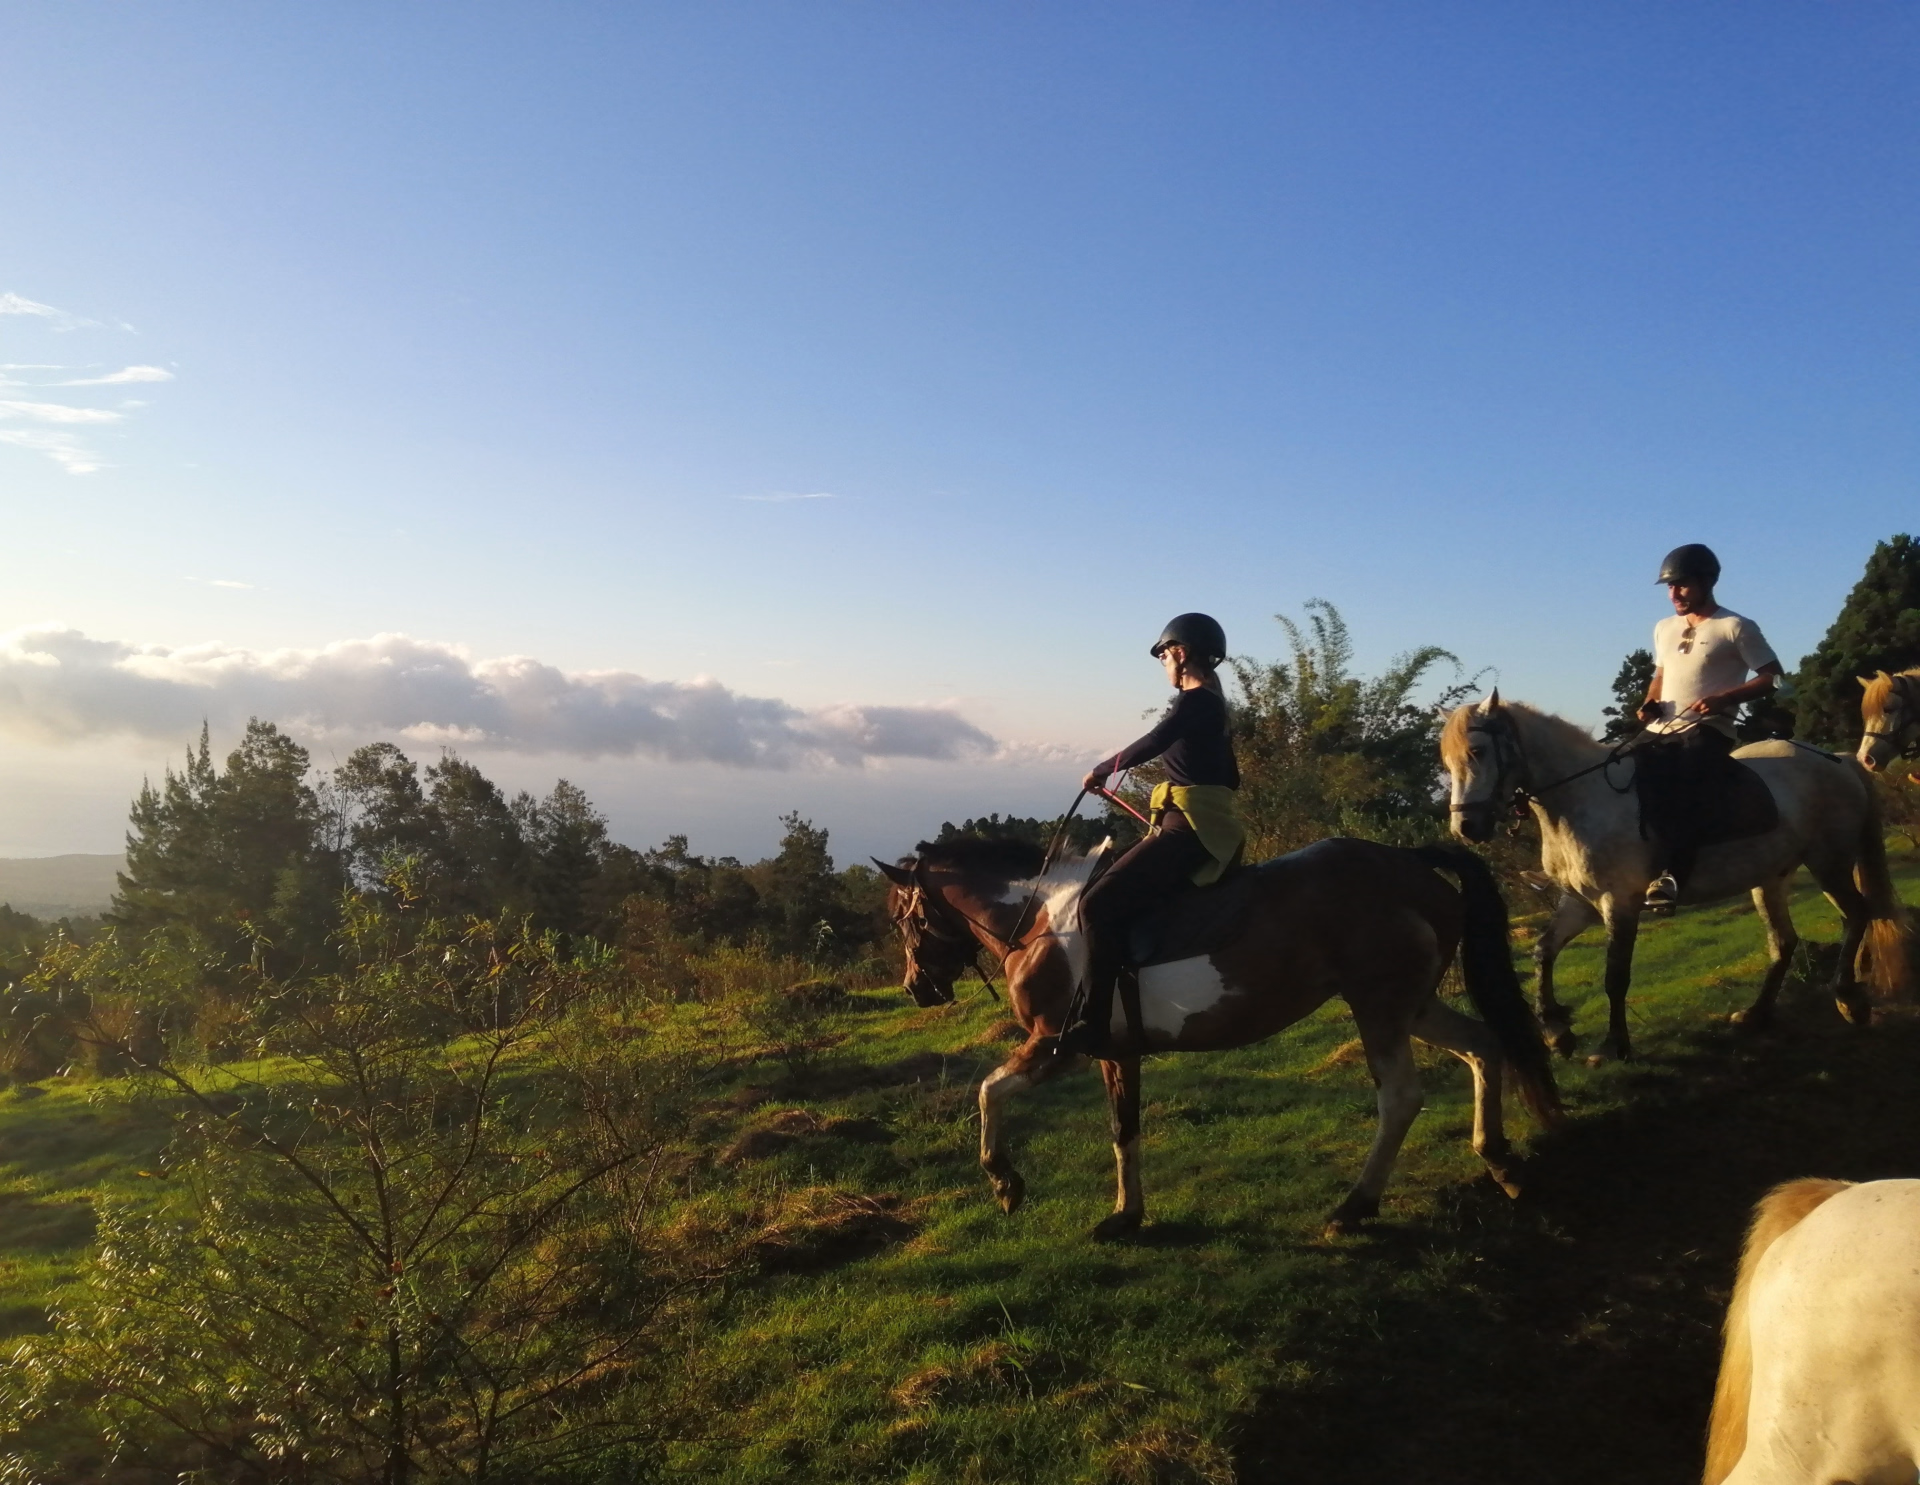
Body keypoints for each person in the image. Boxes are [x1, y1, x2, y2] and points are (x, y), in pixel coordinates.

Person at [1054, 613, 1246, 1058]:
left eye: (1163, 655)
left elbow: (1155, 740)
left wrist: (1102, 769)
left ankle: (1096, 1025)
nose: (1162, 664)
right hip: (1200, 826)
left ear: (1179, 653)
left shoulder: (1194, 703)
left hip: (1187, 830)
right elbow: (1230, 779)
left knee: (1096, 905)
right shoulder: (1215, 710)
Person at [1633, 544, 1783, 908]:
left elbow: (1774, 678)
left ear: (1707, 582)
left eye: (1682, 585)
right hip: (1661, 730)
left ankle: (1671, 876)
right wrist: (1649, 702)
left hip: (1709, 729)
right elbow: (1662, 673)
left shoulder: (1735, 627)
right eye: (1670, 587)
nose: (1674, 593)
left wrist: (1725, 699)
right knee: (1613, 775)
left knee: (1684, 785)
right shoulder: (1663, 628)